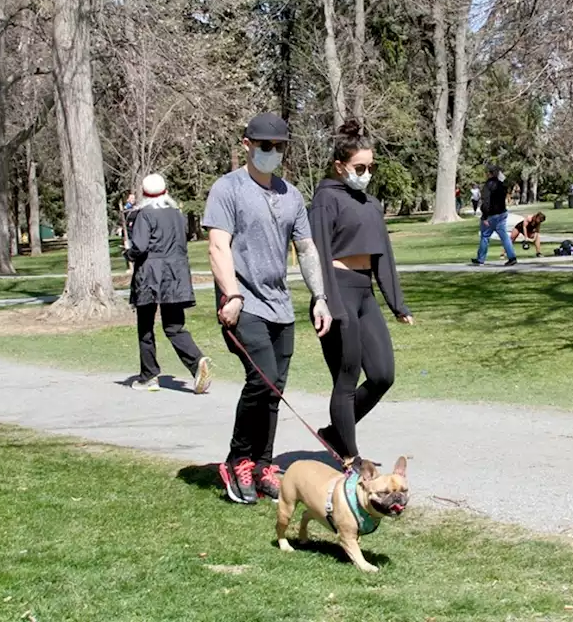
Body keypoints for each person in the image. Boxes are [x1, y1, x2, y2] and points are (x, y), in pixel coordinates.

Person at [204, 112, 333, 505]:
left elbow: (306, 248)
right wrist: (231, 295)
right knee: (263, 379)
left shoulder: (291, 195)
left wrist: (320, 296)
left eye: (279, 146)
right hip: (243, 303)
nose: (272, 152)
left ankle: (262, 466)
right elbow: (217, 246)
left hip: (280, 305)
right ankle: (237, 460)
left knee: (275, 389)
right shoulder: (228, 189)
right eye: (265, 146)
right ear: (247, 144)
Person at [308, 121, 414, 468]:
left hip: (364, 292)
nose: (366, 173)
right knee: (347, 377)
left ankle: (336, 432)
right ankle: (350, 457)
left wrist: (396, 302)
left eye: (370, 167)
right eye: (360, 168)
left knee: (383, 374)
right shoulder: (325, 198)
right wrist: (327, 301)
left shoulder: (372, 204)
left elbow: (383, 254)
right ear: (340, 166)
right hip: (336, 292)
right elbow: (318, 253)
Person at [125, 173, 212, 395]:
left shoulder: (144, 215)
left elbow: (141, 246)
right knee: (174, 326)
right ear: (165, 192)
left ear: (144, 194)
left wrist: (129, 252)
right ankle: (196, 361)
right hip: (176, 273)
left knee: (145, 327)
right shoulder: (177, 215)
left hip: (150, 276)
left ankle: (149, 375)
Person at [472, 164, 517, 267]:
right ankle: (512, 257)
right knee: (504, 237)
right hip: (502, 213)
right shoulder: (501, 184)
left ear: (489, 173)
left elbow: (486, 201)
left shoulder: (488, 185)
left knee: (485, 236)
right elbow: (507, 185)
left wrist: (484, 216)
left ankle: (481, 259)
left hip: (491, 215)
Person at [122, 193, 138, 275]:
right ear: (127, 199)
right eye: (131, 198)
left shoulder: (136, 209)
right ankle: (129, 267)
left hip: (134, 233)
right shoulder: (126, 209)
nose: (133, 200)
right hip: (128, 233)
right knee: (128, 248)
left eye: (134, 198)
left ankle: (134, 266)